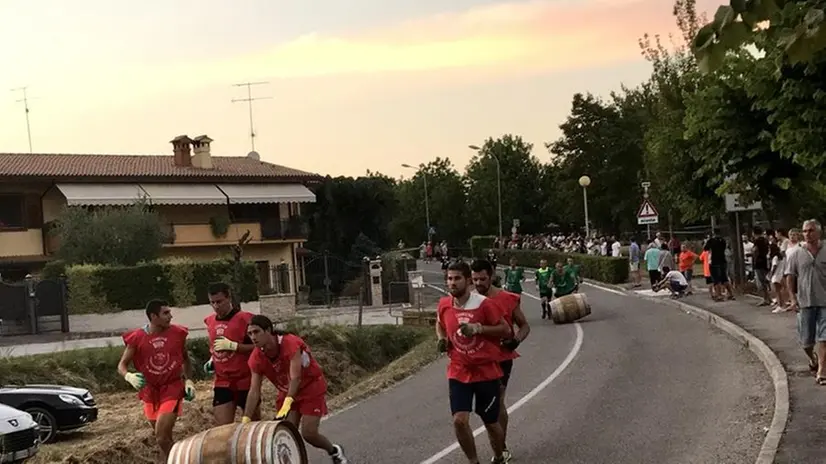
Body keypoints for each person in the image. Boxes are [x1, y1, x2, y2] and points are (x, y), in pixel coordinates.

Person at [243, 314, 349, 464]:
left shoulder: (290, 343)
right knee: (287, 433)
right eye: (250, 333)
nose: (253, 337)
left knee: (309, 433)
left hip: (310, 387)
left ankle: (334, 451)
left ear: (268, 330)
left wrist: (287, 404)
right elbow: (254, 391)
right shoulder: (256, 357)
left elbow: (296, 378)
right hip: (287, 392)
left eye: (256, 332)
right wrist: (246, 418)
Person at [436, 261, 511, 464]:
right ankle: (474, 462)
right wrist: (442, 339)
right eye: (449, 279)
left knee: (491, 423)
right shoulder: (444, 304)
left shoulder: (484, 304)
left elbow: (505, 330)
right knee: (459, 421)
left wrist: (479, 328)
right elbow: (440, 324)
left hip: (485, 370)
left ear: (468, 281)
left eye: (457, 278)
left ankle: (498, 456)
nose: (452, 283)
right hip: (459, 370)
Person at [117, 300, 195, 462]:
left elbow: (186, 360)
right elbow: (122, 365)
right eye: (165, 313)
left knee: (160, 437)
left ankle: (181, 460)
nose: (170, 316)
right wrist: (129, 376)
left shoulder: (177, 333)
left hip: (172, 387)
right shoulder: (137, 337)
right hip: (149, 391)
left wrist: (189, 381)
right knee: (163, 438)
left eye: (169, 312)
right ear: (153, 316)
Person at [471, 259, 531, 462]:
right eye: (475, 279)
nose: (478, 283)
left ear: (492, 275)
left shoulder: (508, 298)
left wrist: (516, 340)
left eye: (483, 279)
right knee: (482, 406)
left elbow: (524, 326)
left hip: (501, 358)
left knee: (497, 403)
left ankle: (501, 447)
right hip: (475, 359)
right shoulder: (468, 300)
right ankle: (498, 444)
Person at [203, 282, 260, 425]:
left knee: (253, 427)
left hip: (245, 380)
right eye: (212, 302)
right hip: (223, 381)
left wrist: (235, 347)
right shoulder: (210, 321)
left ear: (229, 298)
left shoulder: (245, 319)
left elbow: (259, 347)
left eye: (219, 301)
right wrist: (212, 360)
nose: (216, 306)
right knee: (223, 429)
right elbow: (214, 346)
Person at [786, 219, 826, 384]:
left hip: (824, 301)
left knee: (824, 337)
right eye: (805, 231)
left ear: (819, 232)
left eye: (810, 230)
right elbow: (790, 276)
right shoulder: (796, 253)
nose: (807, 234)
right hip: (805, 302)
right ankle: (812, 358)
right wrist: (793, 298)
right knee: (806, 341)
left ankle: (822, 371)